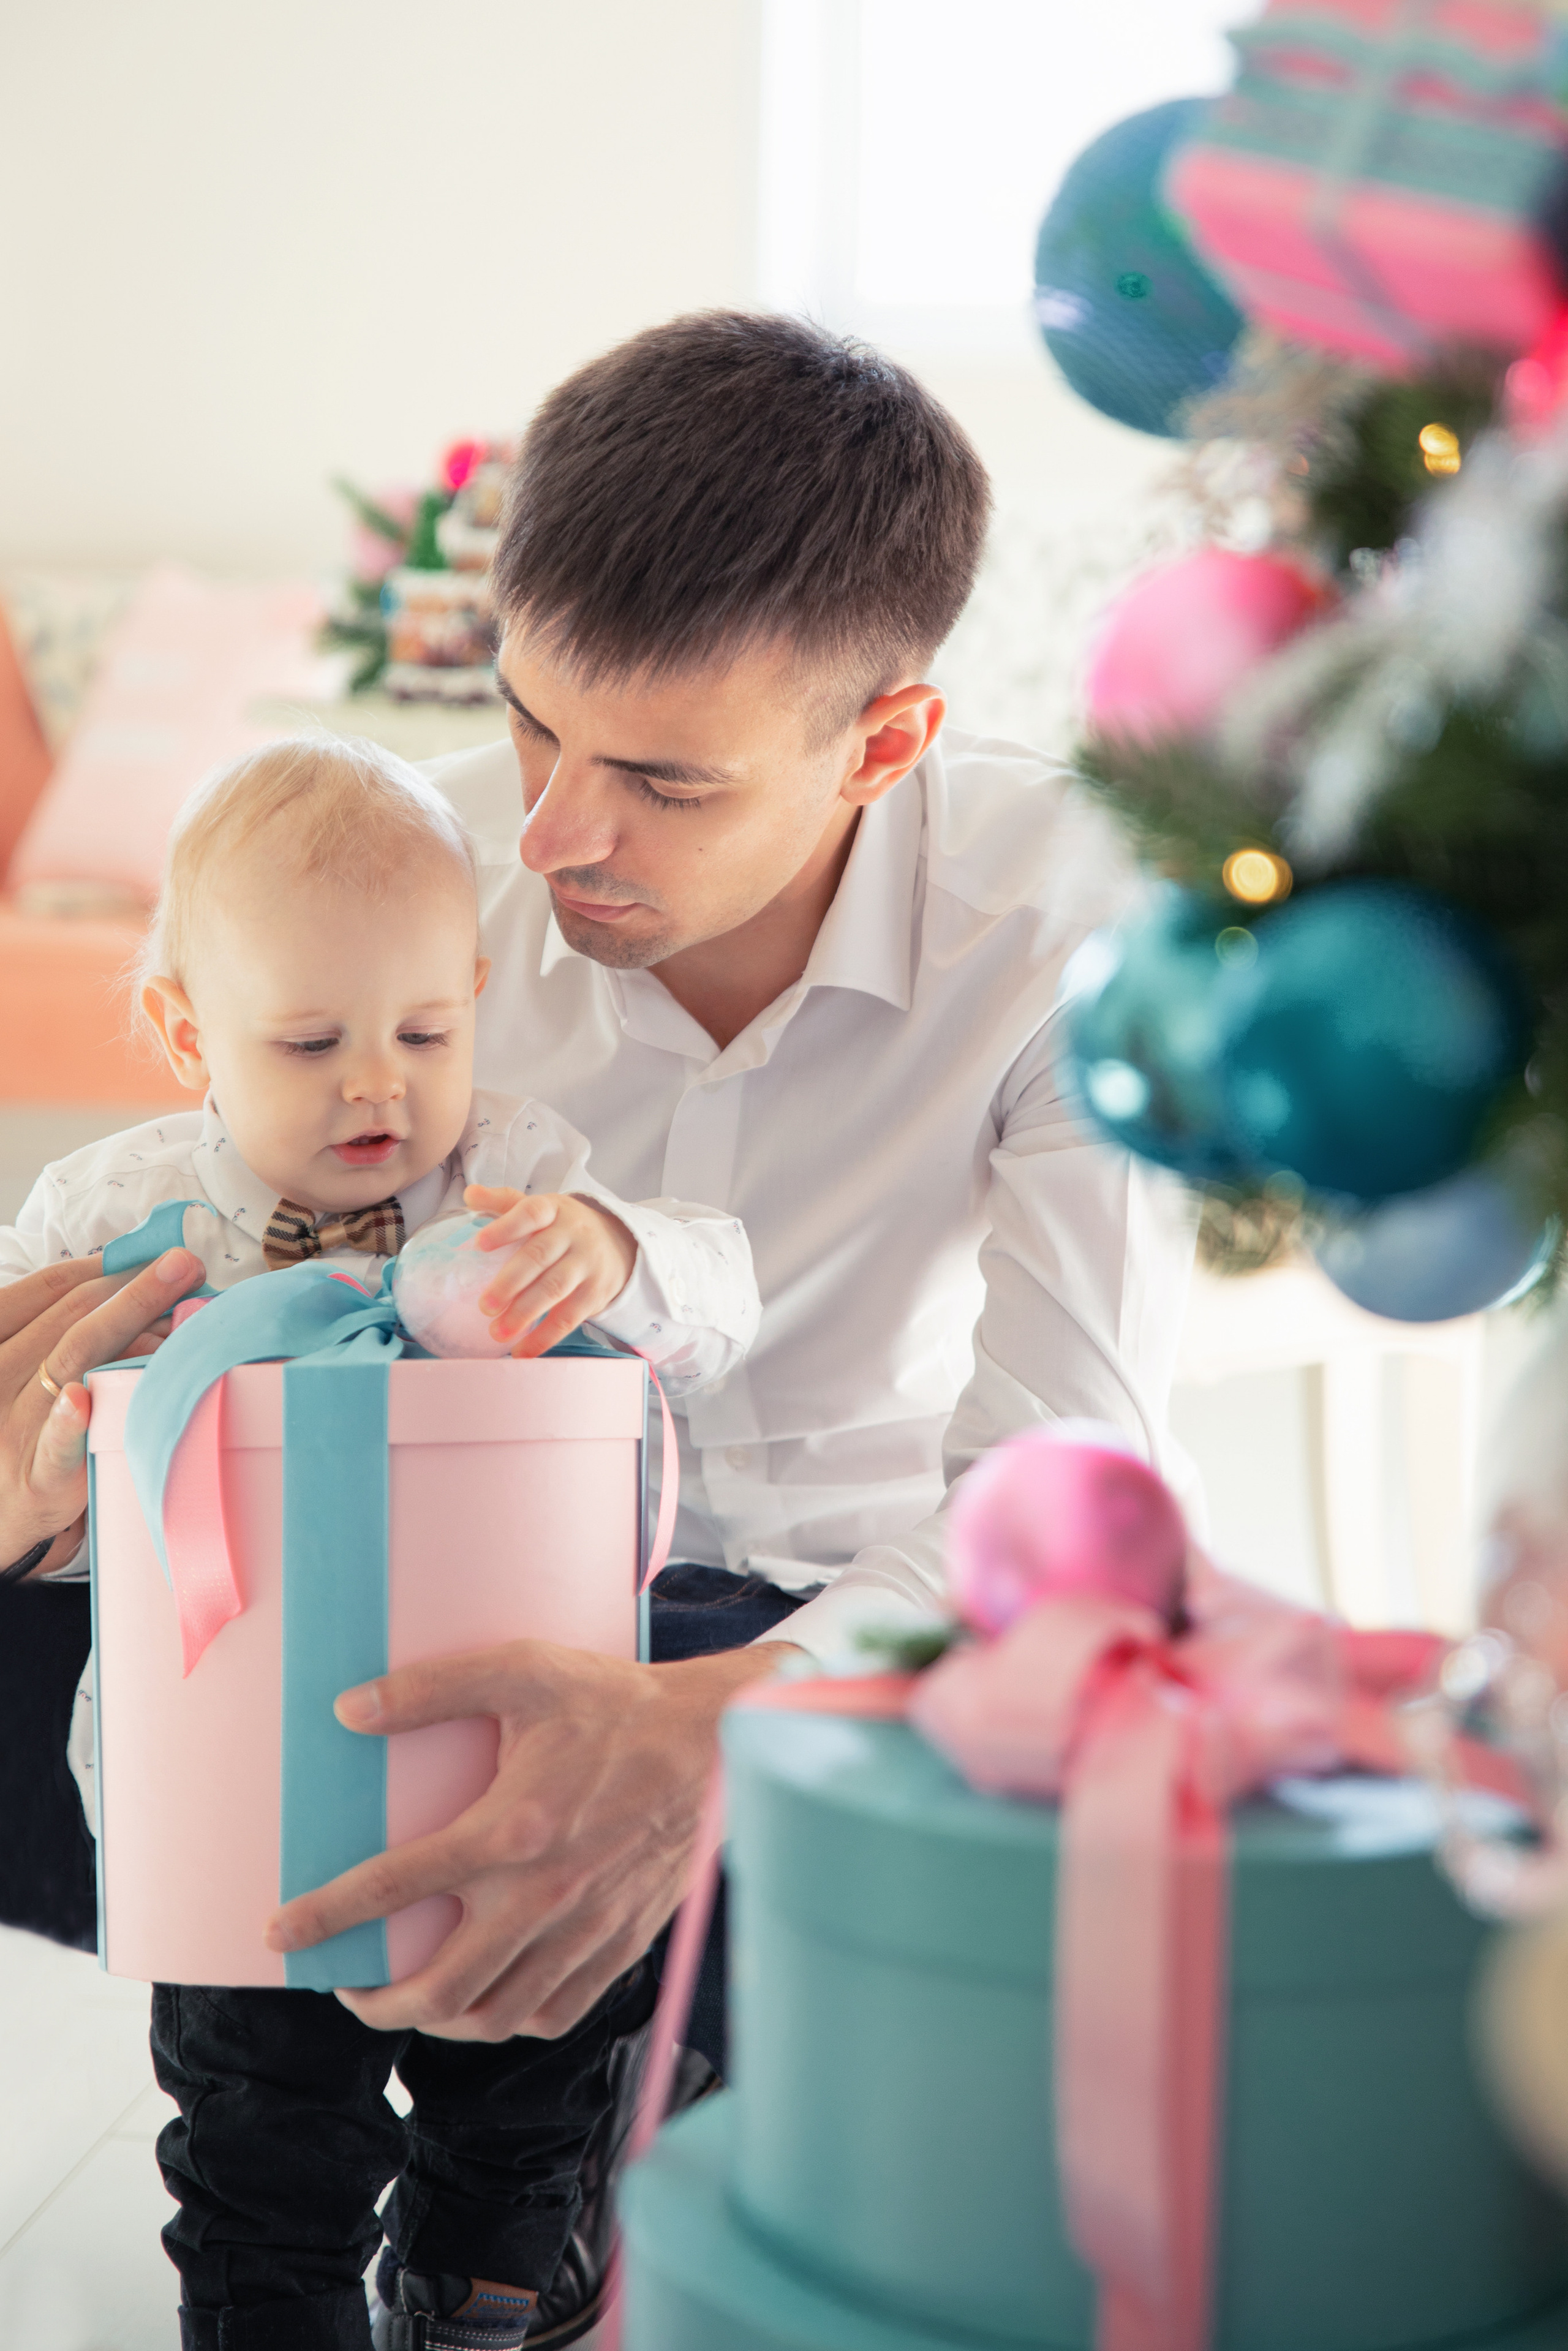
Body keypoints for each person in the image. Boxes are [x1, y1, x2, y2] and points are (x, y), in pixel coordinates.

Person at [0, 311, 1194, 2346]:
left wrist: (691, 1746)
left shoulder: (1067, 923)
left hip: (797, 1642)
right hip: (356, 1606)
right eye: (536, 726)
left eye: (655, 779)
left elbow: (1068, 1512)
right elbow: (134, 1263)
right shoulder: (389, 871)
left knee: (1043, 1857)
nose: (548, 836)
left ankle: (598, 2123)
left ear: (882, 743)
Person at [0, 732, 761, 2351]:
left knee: (530, 2080)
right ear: (181, 1031)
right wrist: (65, 1467)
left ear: (478, 993)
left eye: (428, 1029)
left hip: (511, 1756)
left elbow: (721, 1298)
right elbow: (72, 1528)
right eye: (308, 1040)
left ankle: (477, 2290)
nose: (378, 1085)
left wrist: (612, 1252)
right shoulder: (104, 1216)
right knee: (261, 2126)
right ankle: (272, 2317)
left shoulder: (519, 1179)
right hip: (238, 1783)